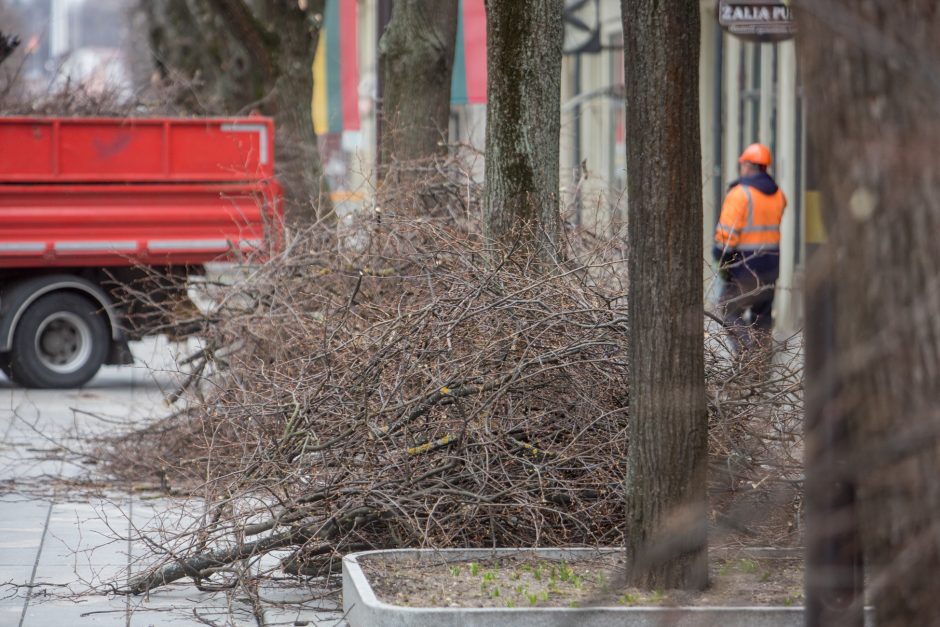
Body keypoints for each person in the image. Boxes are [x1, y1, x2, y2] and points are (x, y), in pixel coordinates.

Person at [713, 143, 787, 353]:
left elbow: (725, 239)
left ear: (746, 165)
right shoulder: (778, 195)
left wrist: (721, 259)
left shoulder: (740, 194)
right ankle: (761, 364)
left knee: (728, 308)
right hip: (771, 267)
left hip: (744, 266)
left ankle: (747, 352)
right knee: (762, 315)